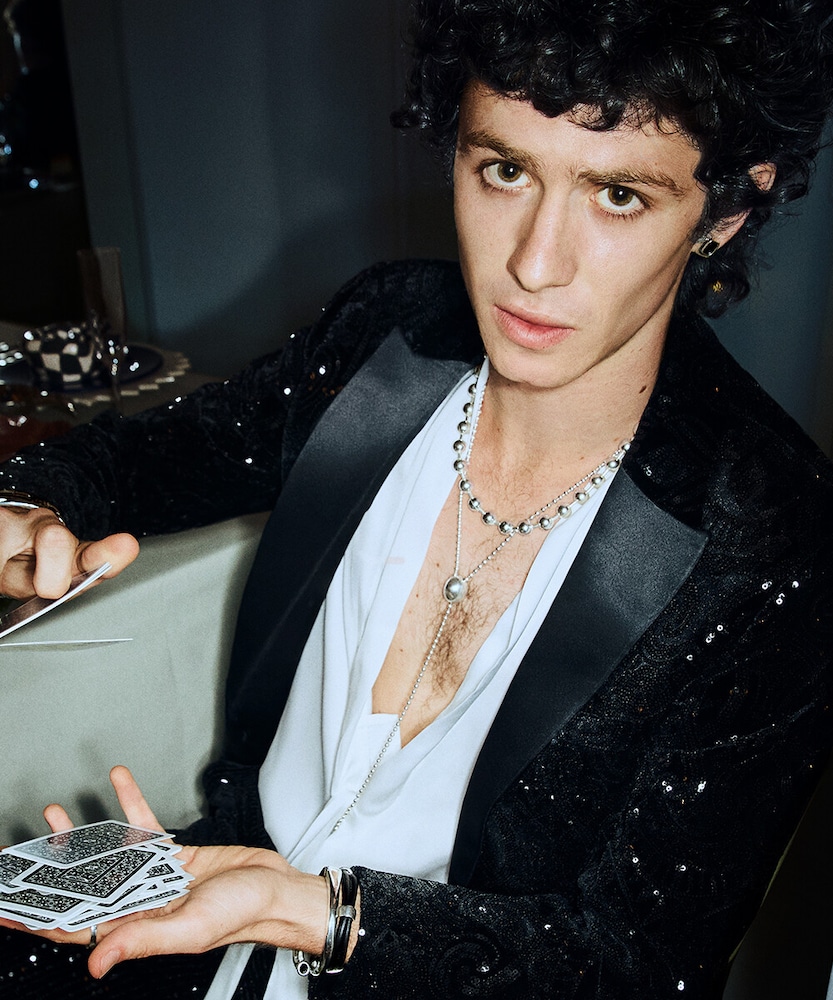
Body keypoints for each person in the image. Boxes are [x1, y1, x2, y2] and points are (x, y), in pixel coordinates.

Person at [1, 0, 832, 997]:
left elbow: (636, 962)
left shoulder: (774, 538)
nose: (532, 263)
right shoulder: (386, 335)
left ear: (723, 212)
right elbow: (141, 457)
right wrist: (28, 505)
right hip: (207, 928)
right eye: (505, 171)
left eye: (616, 195)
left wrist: (317, 914)